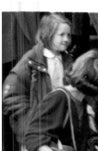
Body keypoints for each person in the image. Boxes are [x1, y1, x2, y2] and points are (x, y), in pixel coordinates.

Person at [3, 13, 73, 143]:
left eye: (69, 35)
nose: (66, 39)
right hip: (36, 133)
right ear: (48, 34)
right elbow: (11, 94)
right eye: (61, 35)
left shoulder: (68, 61)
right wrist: (28, 119)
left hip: (60, 129)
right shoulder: (31, 60)